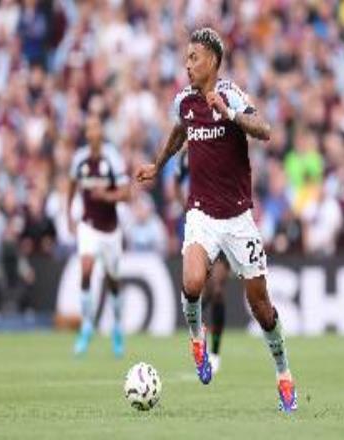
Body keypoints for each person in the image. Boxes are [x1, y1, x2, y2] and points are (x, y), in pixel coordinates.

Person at [136, 28, 297, 413]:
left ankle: (284, 374)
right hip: (201, 213)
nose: (187, 64)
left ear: (213, 60)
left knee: (261, 307)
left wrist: (230, 114)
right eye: (186, 58)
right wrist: (158, 166)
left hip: (239, 218)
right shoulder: (185, 101)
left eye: (194, 57)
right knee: (193, 282)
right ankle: (197, 338)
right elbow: (179, 132)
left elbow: (265, 131)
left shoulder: (231, 94)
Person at [67, 115, 131, 357]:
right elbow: (71, 186)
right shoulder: (79, 159)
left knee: (113, 281)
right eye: (88, 129)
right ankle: (87, 326)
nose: (92, 133)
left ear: (101, 133)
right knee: (86, 270)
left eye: (95, 128)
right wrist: (68, 215)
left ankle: (117, 328)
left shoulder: (112, 158)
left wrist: (106, 196)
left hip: (110, 230)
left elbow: (126, 194)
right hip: (88, 226)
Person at [174, 149, 228, 374]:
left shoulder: (221, 145)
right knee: (201, 288)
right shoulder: (186, 156)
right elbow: (177, 182)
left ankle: (214, 352)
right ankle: (197, 330)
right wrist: (186, 208)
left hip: (225, 224)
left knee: (217, 289)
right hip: (200, 225)